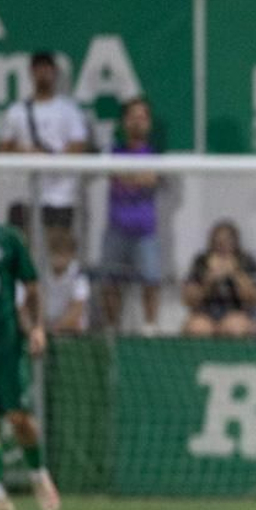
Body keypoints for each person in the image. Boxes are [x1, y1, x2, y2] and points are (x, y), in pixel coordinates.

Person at [0, 171, 60, 510]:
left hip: (5, 344)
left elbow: (32, 287)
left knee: (20, 418)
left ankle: (39, 474)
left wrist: (36, 328)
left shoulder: (8, 239)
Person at [0, 51, 90, 237]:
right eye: (38, 69)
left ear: (54, 72)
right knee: (22, 240)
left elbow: (79, 145)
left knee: (59, 243)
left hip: (61, 193)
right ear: (31, 72)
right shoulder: (17, 111)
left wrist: (50, 158)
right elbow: (3, 148)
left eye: (47, 69)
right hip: (24, 192)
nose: (43, 74)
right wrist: (25, 153)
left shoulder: (68, 109)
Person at [98, 96, 163, 334]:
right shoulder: (113, 150)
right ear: (124, 122)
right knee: (109, 282)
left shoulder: (154, 153)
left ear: (149, 122)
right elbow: (114, 174)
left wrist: (126, 175)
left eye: (142, 117)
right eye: (132, 117)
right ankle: (111, 328)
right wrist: (135, 176)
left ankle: (149, 327)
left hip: (145, 231)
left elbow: (150, 179)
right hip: (116, 229)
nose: (137, 122)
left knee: (151, 280)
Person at [182, 219, 256, 338]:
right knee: (198, 327)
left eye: (226, 241)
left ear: (235, 243)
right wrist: (208, 280)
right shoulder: (201, 262)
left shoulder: (247, 261)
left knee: (234, 326)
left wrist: (235, 274)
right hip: (206, 314)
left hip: (238, 313)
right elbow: (188, 299)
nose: (222, 247)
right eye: (217, 242)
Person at [42, 230, 90, 335]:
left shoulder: (79, 276)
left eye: (62, 255)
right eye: (55, 254)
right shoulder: (43, 272)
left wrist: (58, 327)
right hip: (48, 325)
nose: (58, 259)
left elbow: (78, 307)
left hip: (72, 330)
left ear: (71, 255)